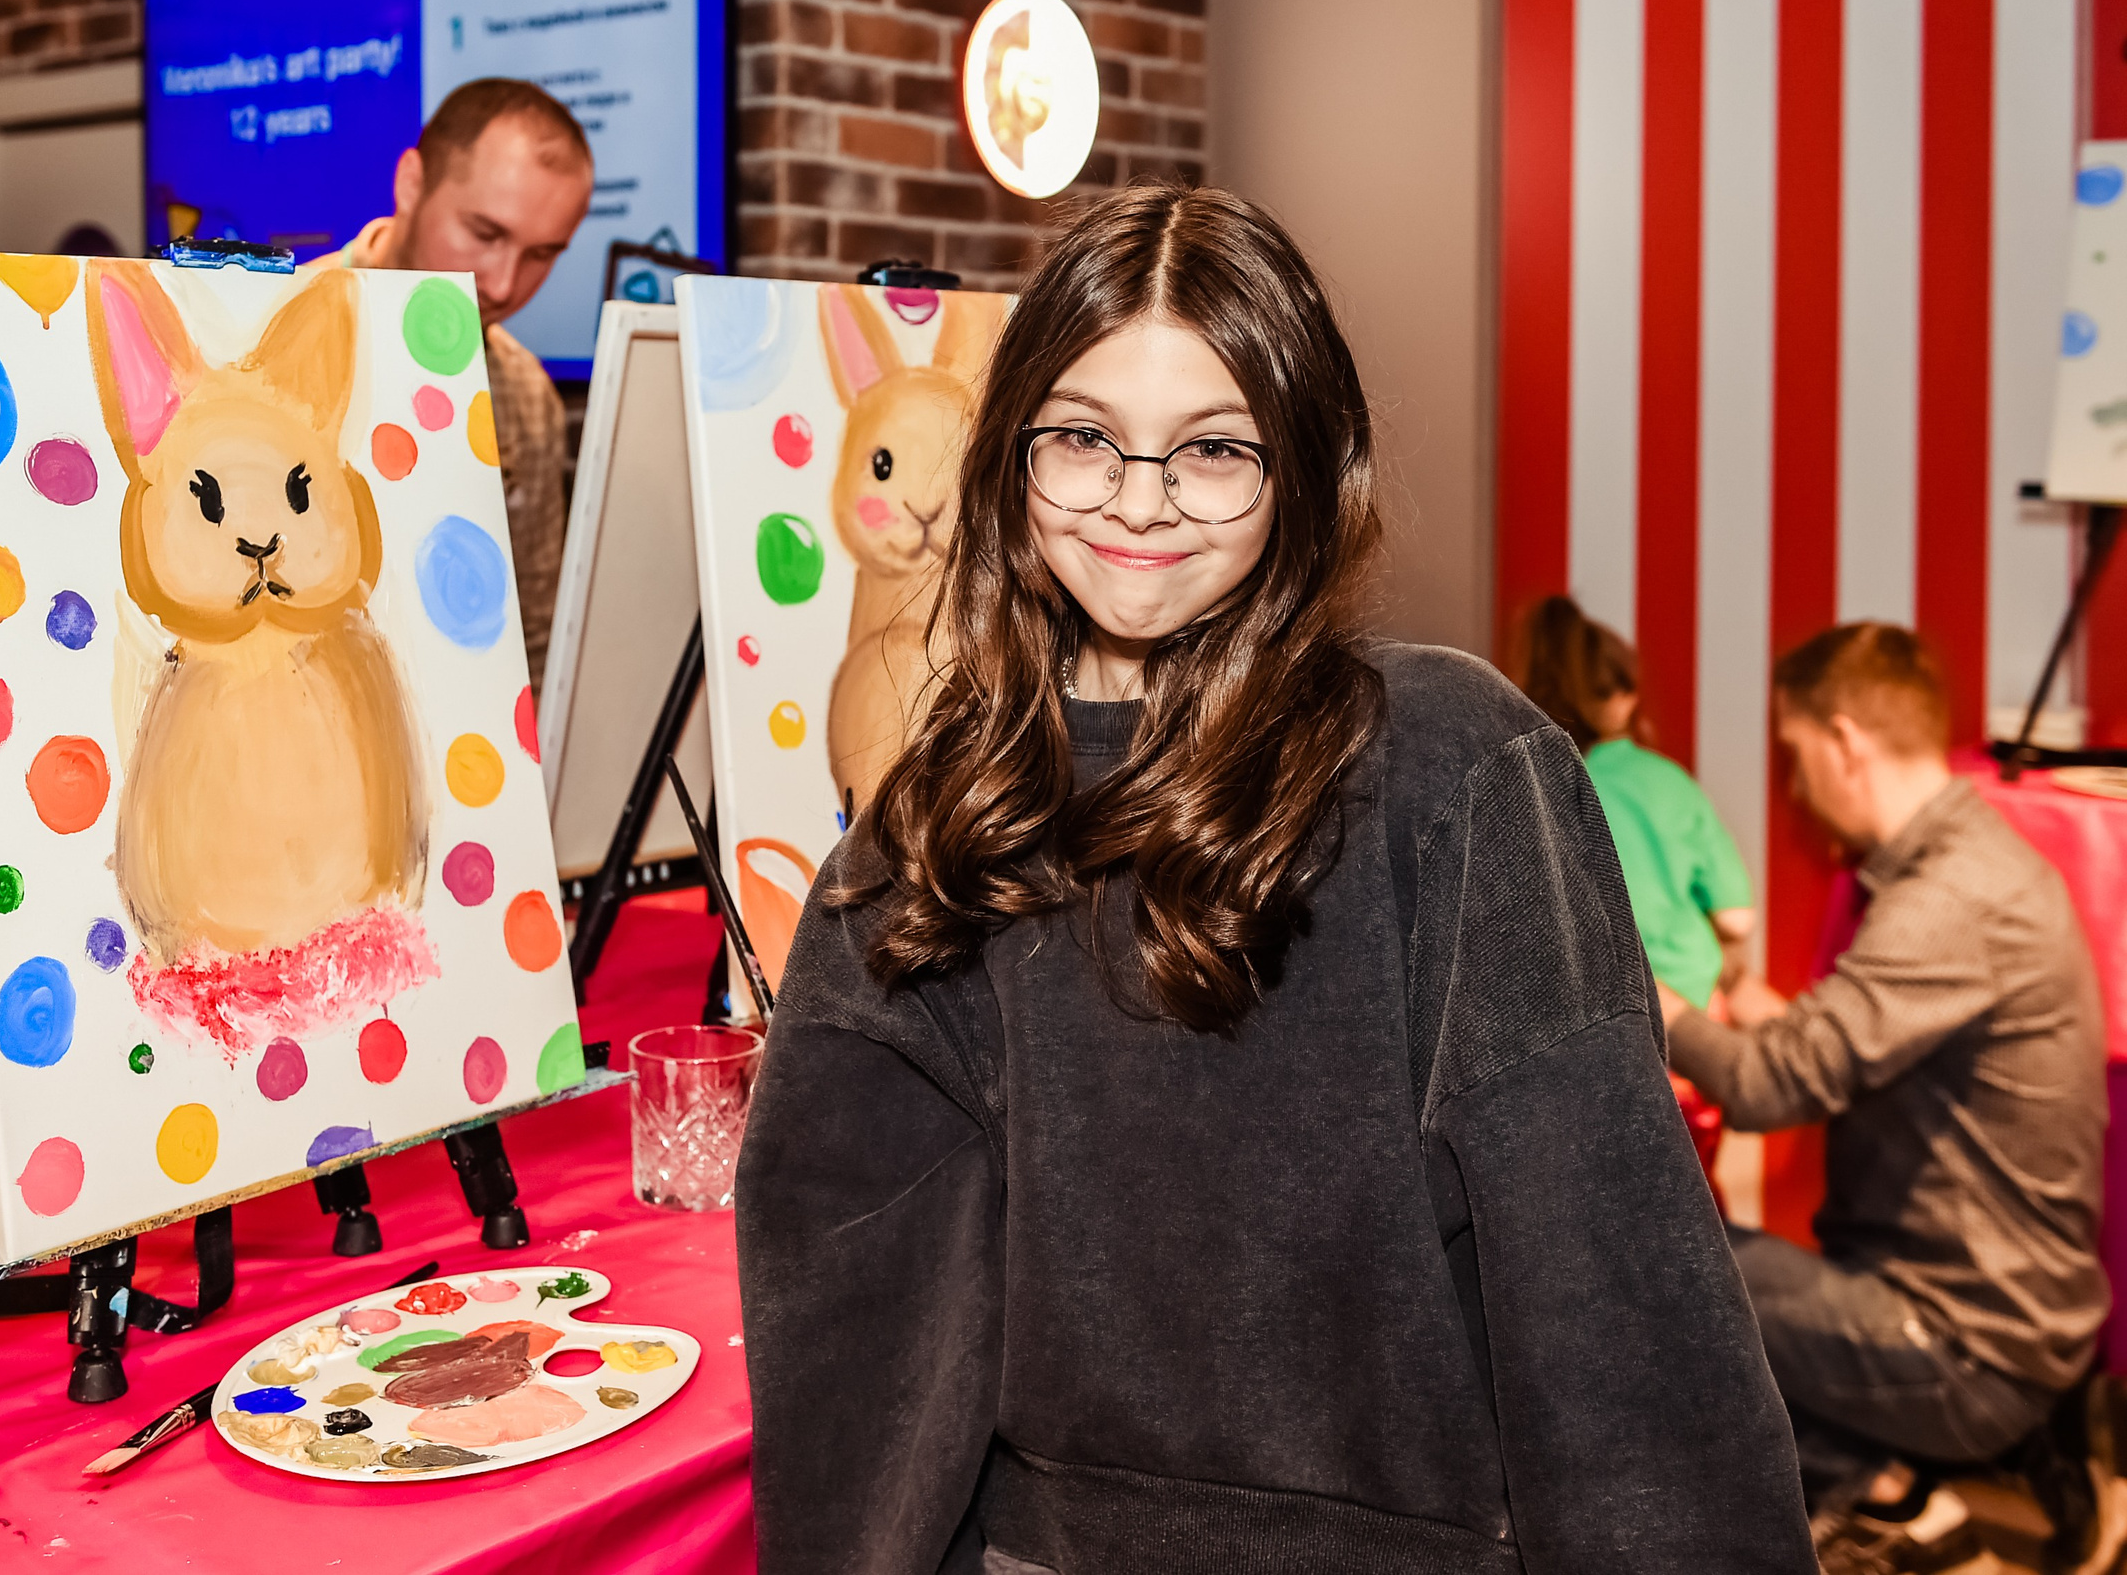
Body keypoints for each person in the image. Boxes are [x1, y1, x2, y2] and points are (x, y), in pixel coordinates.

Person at [736, 182, 1812, 1571]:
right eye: (1086, 438)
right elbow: (854, 1335)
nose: (1141, 501)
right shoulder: (933, 834)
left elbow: (1619, 1303)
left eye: (1212, 449)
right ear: (1012, 458)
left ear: (1303, 470)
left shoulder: (1453, 771)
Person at [1663, 624, 2107, 1566]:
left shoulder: (1949, 899)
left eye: (1794, 755)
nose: (1794, 786)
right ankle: (1952, 1461)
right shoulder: (1975, 866)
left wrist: (1647, 1001)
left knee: (1656, 1259)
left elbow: (1772, 1086)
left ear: (1845, 742)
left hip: (1968, 1345)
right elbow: (1863, 1056)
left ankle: (1891, 1496)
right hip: (2013, 1313)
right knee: (1706, 1254)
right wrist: (1768, 1016)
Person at [310, 76, 592, 688]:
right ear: (412, 184)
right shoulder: (270, 330)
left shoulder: (523, 392)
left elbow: (532, 635)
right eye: (485, 234)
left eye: (543, 254)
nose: (502, 283)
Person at [1509, 595, 1755, 1013]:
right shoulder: (1668, 781)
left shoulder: (1529, 786)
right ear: (1625, 696)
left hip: (1587, 1011)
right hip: (1691, 1006)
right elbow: (1737, 917)